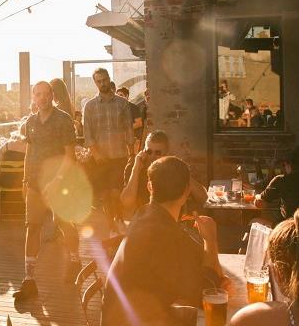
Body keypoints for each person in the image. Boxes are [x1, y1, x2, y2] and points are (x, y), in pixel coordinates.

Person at [101, 156, 225, 326]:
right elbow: (205, 293)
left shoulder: (145, 214)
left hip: (131, 322)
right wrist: (211, 241)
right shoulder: (164, 234)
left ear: (149, 186)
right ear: (187, 190)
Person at [13, 82, 80, 303]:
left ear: (52, 95)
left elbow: (70, 156)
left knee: (62, 223)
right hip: (34, 184)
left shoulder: (63, 120)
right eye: (37, 94)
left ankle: (74, 259)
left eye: (45, 94)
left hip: (59, 183)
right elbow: (29, 152)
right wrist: (24, 180)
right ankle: (29, 279)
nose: (41, 98)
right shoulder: (30, 122)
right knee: (32, 227)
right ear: (33, 97)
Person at [82, 68, 134, 226]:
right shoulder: (90, 106)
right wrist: (96, 154)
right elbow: (88, 133)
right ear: (95, 82)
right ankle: (111, 223)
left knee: (116, 193)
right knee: (105, 195)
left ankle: (118, 219)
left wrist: (131, 154)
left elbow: (128, 129)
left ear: (109, 78)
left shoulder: (122, 103)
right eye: (99, 81)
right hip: (99, 159)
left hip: (119, 155)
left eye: (104, 80)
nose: (103, 83)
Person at [120, 130, 207, 220]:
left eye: (157, 153)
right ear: (144, 151)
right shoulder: (135, 166)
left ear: (166, 154)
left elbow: (203, 198)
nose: (152, 156)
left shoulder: (171, 168)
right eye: (149, 151)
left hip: (169, 221)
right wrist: (136, 169)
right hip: (143, 221)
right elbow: (126, 203)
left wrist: (179, 169)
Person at [255, 145, 299, 220]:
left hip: (289, 227)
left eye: (284, 165)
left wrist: (257, 196)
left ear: (289, 164)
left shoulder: (281, 180)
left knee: (255, 220)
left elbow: (261, 201)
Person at [116, 86, 143, 153]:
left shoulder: (133, 107)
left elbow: (139, 123)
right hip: (121, 140)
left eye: (121, 95)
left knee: (133, 159)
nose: (119, 98)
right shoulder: (116, 109)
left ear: (127, 96)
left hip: (134, 139)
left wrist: (125, 128)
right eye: (117, 96)